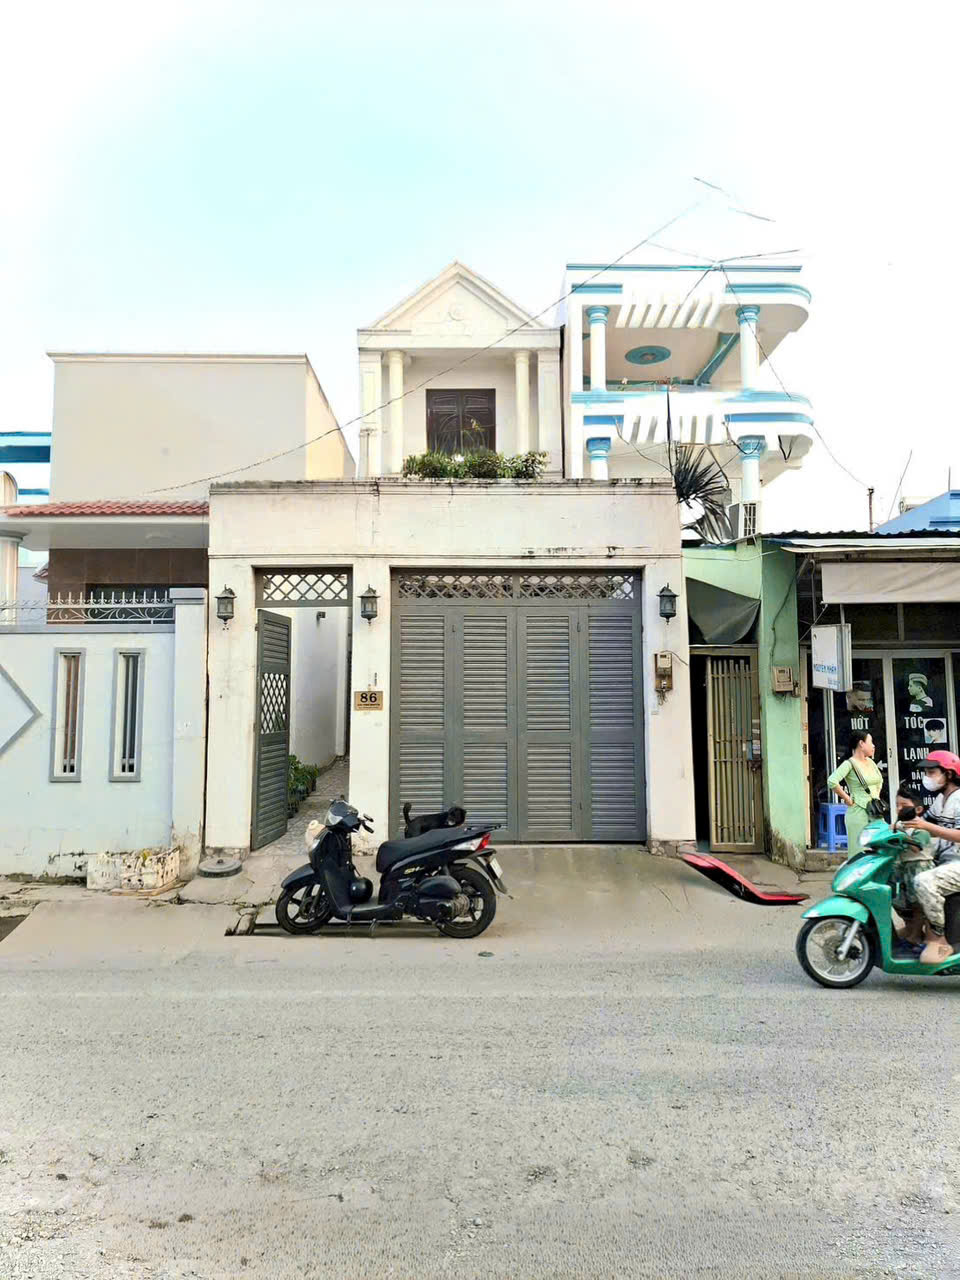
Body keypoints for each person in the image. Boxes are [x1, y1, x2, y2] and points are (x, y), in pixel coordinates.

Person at [902, 750, 960, 963]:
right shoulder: (941, 800)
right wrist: (895, 828)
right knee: (901, 873)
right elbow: (921, 823)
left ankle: (939, 940)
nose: (927, 777)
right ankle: (913, 929)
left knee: (924, 881)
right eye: (926, 773)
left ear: (949, 774)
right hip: (945, 862)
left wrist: (926, 826)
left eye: (932, 772)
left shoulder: (959, 799)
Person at [891, 786, 935, 948]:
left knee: (918, 905)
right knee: (902, 902)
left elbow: (916, 847)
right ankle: (910, 930)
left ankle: (915, 936)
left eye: (904, 805)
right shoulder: (901, 825)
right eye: (897, 805)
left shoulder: (921, 828)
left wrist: (899, 834)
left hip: (919, 869)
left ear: (918, 809)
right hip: (904, 869)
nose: (899, 809)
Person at [827, 731, 884, 852]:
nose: (873, 745)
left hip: (875, 811)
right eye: (871, 742)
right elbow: (832, 781)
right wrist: (847, 799)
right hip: (858, 812)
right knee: (859, 851)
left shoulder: (871, 762)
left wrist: (876, 796)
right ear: (861, 744)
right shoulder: (849, 764)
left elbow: (880, 780)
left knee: (880, 849)